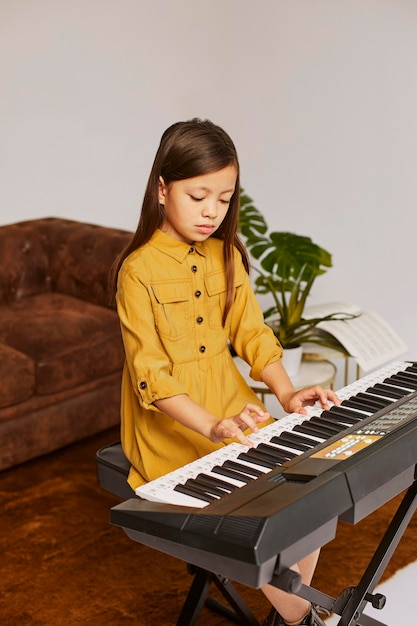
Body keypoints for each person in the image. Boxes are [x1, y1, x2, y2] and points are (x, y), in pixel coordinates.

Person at [113, 118, 339, 626]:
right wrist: (211, 427)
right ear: (162, 189)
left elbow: (252, 333)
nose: (212, 211)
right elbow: (150, 374)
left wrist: (285, 391)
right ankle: (307, 621)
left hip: (233, 405)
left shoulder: (227, 254)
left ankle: (296, 620)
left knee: (308, 499)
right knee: (265, 518)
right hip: (172, 424)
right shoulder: (138, 271)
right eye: (198, 196)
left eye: (224, 196)